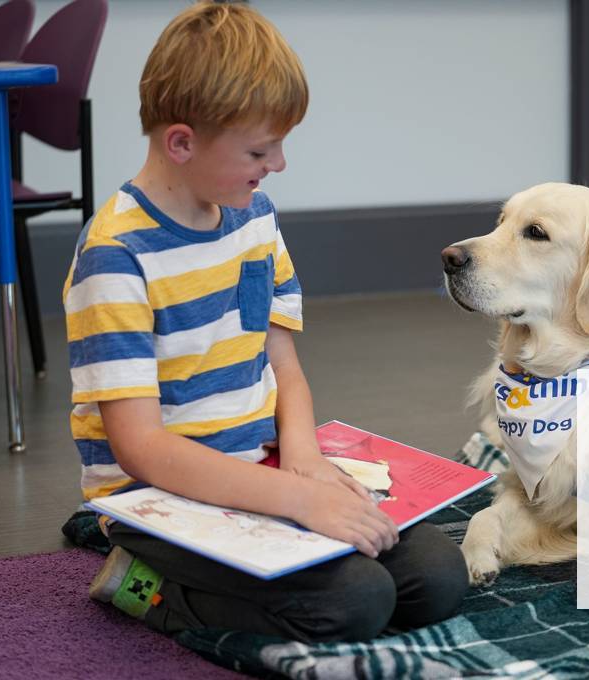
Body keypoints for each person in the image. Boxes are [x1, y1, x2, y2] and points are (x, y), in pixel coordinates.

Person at [64, 1, 467, 642]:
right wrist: (301, 501)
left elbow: (284, 368)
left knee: (439, 577)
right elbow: (139, 448)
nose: (277, 163)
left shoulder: (255, 219)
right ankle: (141, 588)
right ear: (181, 142)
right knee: (355, 603)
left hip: (260, 471)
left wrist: (303, 463)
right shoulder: (116, 255)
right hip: (157, 499)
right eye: (260, 148)